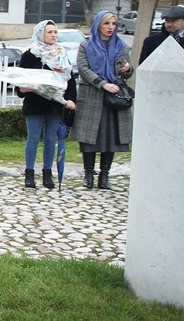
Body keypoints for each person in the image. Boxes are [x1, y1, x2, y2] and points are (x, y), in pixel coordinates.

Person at [73, 10, 133, 190]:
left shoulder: (120, 45)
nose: (110, 27)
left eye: (113, 24)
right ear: (99, 24)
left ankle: (104, 175)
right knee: (90, 137)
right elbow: (83, 69)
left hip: (114, 97)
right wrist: (102, 83)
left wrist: (127, 70)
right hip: (92, 94)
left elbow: (126, 71)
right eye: (107, 23)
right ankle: (88, 174)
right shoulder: (86, 45)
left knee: (112, 137)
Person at [17, 20, 77, 189]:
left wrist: (71, 100)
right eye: (49, 32)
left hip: (55, 104)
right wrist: (24, 89)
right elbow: (22, 79)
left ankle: (47, 173)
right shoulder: (30, 54)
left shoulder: (61, 53)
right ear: (40, 33)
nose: (53, 35)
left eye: (55, 32)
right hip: (35, 103)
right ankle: (29, 173)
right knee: (33, 139)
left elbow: (69, 79)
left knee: (51, 139)